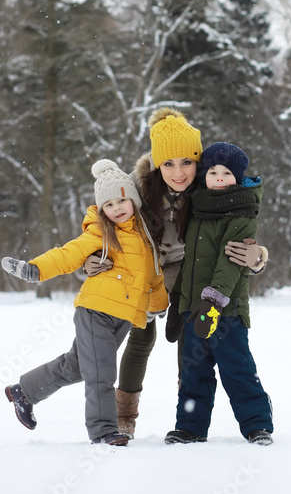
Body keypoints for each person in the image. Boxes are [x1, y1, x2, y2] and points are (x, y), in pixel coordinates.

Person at [82, 108, 269, 439]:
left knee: (193, 331)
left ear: (198, 161)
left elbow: (239, 222)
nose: (178, 172)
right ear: (157, 164)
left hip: (187, 267)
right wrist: (92, 257)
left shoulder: (210, 184)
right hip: (145, 267)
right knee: (142, 334)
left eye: (186, 162)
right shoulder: (139, 186)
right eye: (168, 163)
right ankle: (125, 413)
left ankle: (190, 419)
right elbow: (103, 217)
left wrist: (259, 256)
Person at [1, 159, 167, 446]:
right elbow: (69, 254)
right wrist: (36, 269)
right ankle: (103, 431)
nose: (116, 208)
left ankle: (24, 392)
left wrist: (158, 305)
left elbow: (154, 274)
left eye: (121, 200)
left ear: (134, 199)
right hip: (96, 311)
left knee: (79, 366)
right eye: (109, 205)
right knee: (101, 372)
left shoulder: (145, 237)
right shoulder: (101, 232)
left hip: (123, 317)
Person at [164, 142, 274, 446]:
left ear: (237, 178)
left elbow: (231, 261)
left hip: (226, 311)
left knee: (236, 370)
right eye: (213, 171)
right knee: (193, 373)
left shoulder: (241, 211)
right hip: (192, 308)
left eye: (227, 172)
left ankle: (257, 425)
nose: (220, 177)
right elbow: (189, 261)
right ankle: (190, 426)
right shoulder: (198, 208)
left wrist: (212, 302)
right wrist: (181, 303)